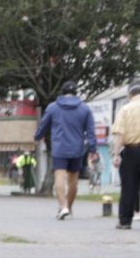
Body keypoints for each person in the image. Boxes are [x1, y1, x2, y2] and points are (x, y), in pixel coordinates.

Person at [34, 81, 96, 220]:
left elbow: (44, 125)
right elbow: (91, 131)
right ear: (75, 93)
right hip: (77, 149)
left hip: (59, 148)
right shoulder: (85, 109)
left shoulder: (53, 107)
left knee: (60, 177)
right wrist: (92, 148)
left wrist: (37, 136)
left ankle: (63, 207)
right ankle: (69, 207)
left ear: (62, 92)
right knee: (73, 180)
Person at [111, 81, 140, 231]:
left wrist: (116, 154)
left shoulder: (125, 109)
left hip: (132, 151)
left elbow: (119, 134)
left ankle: (125, 221)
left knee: (129, 186)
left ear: (130, 95)